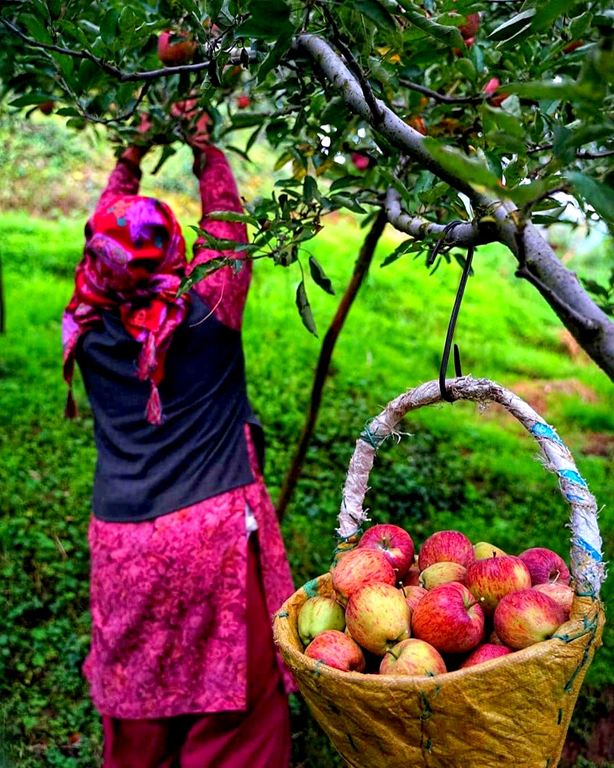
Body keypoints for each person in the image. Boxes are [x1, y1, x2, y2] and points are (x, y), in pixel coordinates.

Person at [61, 108, 296, 767]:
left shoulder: (85, 322)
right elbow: (225, 228)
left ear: (98, 260)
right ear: (174, 256)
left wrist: (130, 155)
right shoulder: (211, 308)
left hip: (124, 541)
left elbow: (106, 231)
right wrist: (204, 149)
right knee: (234, 712)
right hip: (214, 533)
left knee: (136, 701)